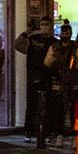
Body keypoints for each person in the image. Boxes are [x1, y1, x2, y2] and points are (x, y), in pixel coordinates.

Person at [14, 17, 55, 147]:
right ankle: (28, 132)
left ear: (51, 26)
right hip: (33, 75)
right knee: (31, 104)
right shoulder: (32, 39)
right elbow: (18, 45)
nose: (44, 27)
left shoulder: (54, 42)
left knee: (49, 105)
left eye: (47, 24)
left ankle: (48, 133)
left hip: (48, 75)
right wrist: (26, 33)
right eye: (42, 24)